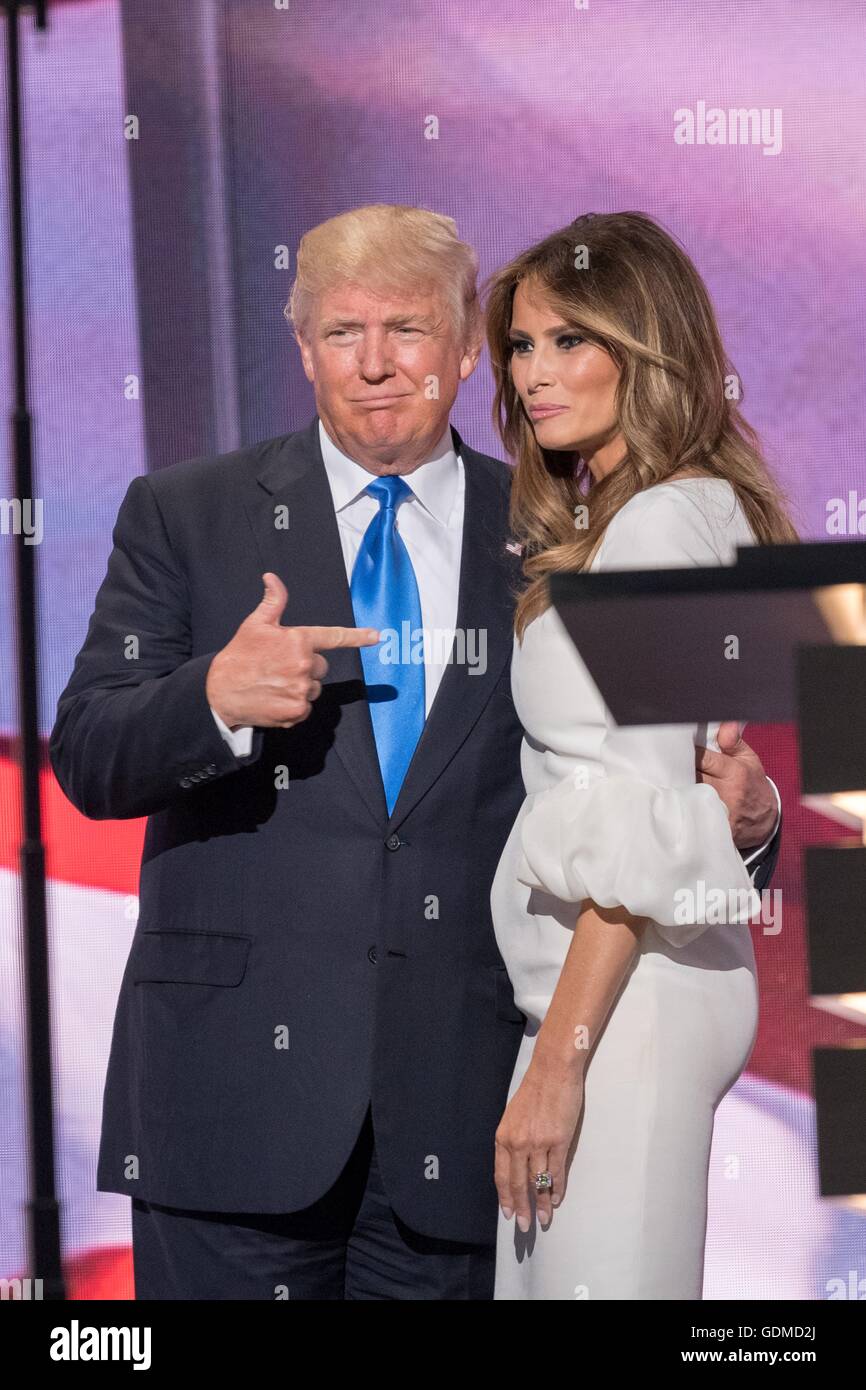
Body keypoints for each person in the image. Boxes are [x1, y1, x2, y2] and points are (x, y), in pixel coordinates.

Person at [49, 205, 781, 1301]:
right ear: (300, 348)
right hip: (228, 1113)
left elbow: (622, 795)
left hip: (469, 1112)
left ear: (457, 342)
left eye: (408, 327)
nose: (378, 363)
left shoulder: (553, 529)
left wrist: (753, 826)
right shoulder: (185, 512)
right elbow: (90, 754)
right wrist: (212, 698)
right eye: (343, 331)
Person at [485, 210, 797, 1300]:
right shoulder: (649, 516)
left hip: (622, 1006)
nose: (531, 372)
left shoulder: (664, 522)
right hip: (612, 1001)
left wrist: (557, 1065)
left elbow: (633, 814)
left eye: (568, 339)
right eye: (520, 345)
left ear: (645, 344)